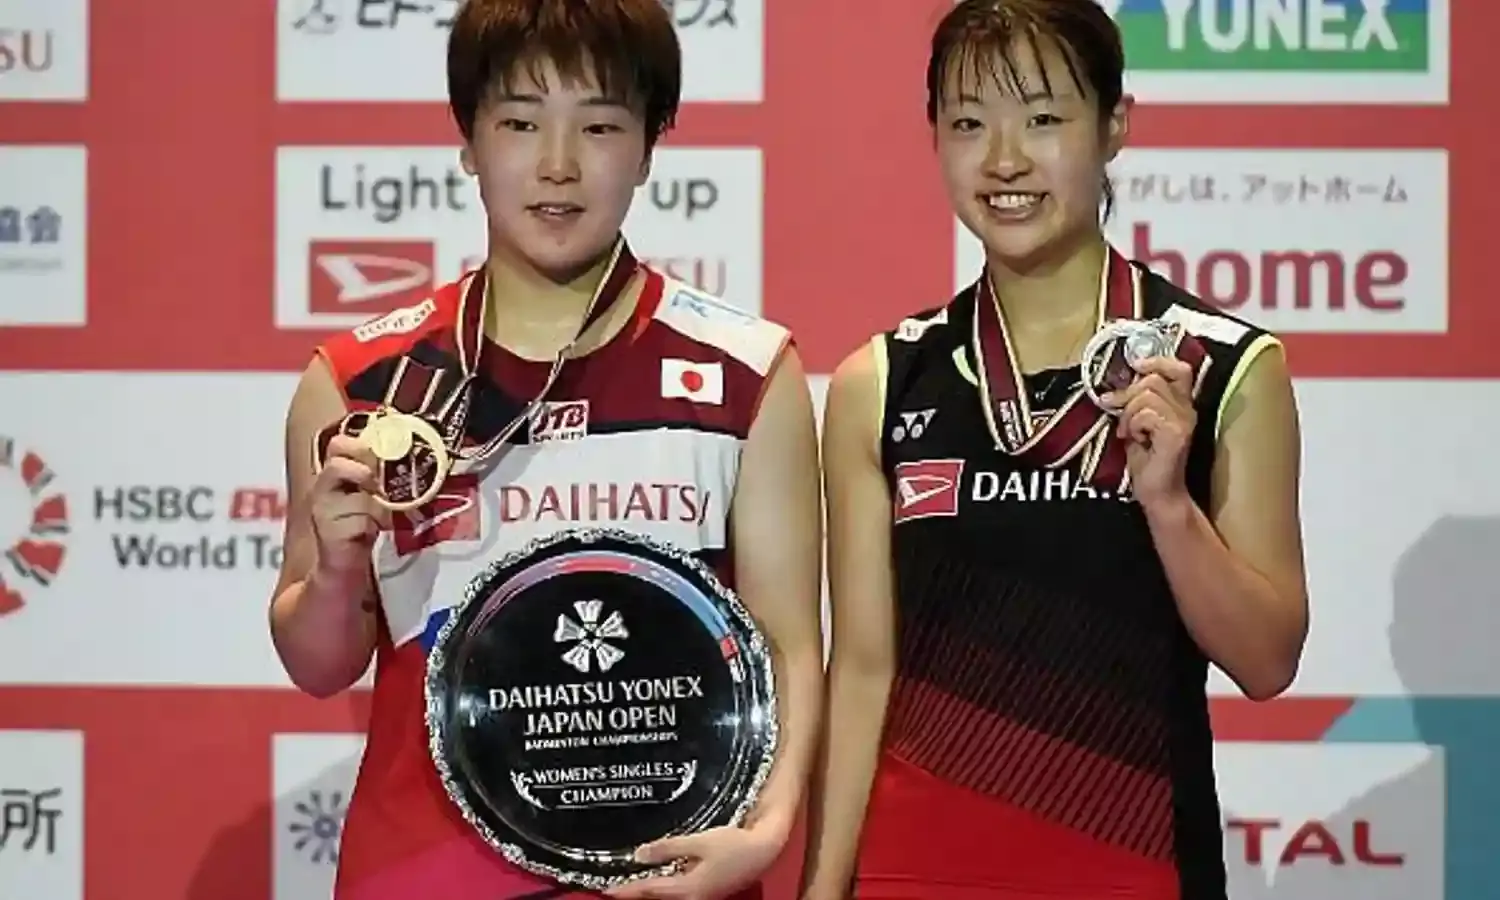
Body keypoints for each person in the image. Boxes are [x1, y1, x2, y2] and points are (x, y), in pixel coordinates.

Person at [267, 1, 824, 898]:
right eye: (521, 123)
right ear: (468, 140)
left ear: (648, 148)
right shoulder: (361, 384)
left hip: (663, 876)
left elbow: (789, 646)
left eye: (599, 126)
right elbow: (319, 665)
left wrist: (766, 830)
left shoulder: (747, 373)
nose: (558, 164)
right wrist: (335, 569)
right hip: (425, 876)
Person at [802, 1, 1310, 898]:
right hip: (915, 875)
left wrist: (1168, 504)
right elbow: (865, 674)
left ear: (1115, 125)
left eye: (1043, 119)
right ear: (934, 136)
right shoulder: (878, 384)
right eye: (969, 124)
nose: (1004, 160)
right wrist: (822, 889)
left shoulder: (1220, 365)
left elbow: (1268, 662)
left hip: (1136, 870)